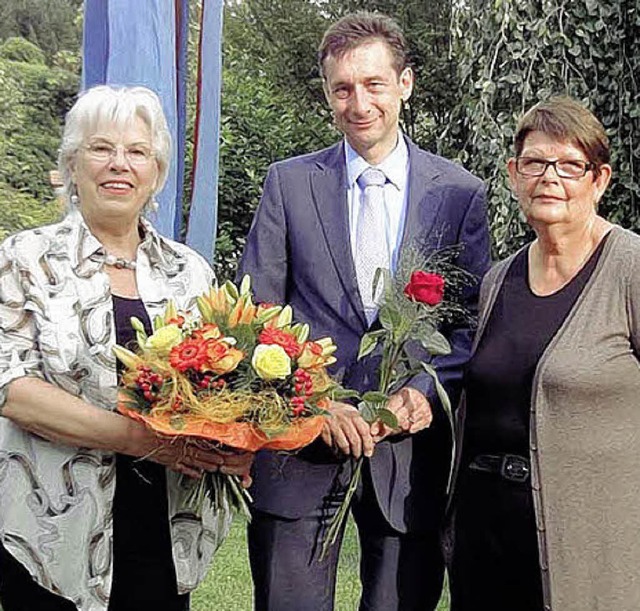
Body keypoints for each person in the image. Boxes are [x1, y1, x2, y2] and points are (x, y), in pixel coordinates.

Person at [238, 12, 491, 611]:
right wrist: (314, 402)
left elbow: (467, 324)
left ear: (404, 84)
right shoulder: (289, 185)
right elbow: (255, 317)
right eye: (342, 89)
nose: (359, 103)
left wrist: (426, 394)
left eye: (374, 84)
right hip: (300, 452)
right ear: (328, 93)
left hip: (406, 464)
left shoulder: (458, 194)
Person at [0, 85, 252, 611]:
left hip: (166, 532)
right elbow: (12, 391)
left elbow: (227, 385)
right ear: (72, 164)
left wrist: (235, 442)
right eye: (100, 148)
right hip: (52, 536)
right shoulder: (26, 259)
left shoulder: (190, 273)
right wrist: (148, 441)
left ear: (157, 171)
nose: (119, 164)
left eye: (137, 151)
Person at [448, 96, 640, 611]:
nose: (549, 177)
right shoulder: (498, 280)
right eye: (534, 163)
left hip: (589, 546)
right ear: (514, 174)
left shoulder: (630, 268)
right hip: (485, 541)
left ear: (599, 180)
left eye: (570, 165)